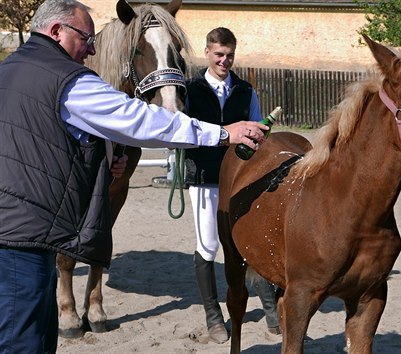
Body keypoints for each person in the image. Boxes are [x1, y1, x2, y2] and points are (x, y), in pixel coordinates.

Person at [0, 1, 268, 353]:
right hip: (27, 238)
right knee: (26, 342)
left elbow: (38, 140)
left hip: (12, 228)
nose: (93, 48)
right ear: (55, 32)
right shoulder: (68, 80)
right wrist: (221, 134)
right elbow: (138, 120)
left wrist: (93, 161)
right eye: (85, 38)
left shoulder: (10, 69)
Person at [184, 27, 281, 345]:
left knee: (251, 241)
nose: (224, 61)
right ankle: (214, 317)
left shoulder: (245, 90)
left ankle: (271, 311)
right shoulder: (191, 89)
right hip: (205, 177)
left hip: (243, 179)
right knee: (209, 246)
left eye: (229, 56)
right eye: (219, 55)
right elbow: (182, 131)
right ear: (208, 53)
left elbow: (257, 134)